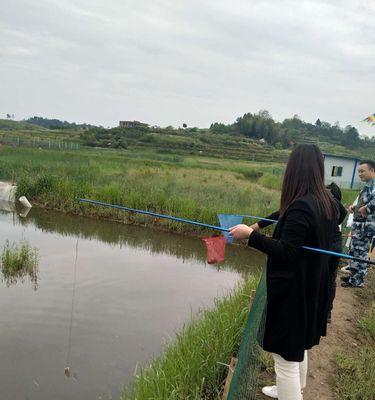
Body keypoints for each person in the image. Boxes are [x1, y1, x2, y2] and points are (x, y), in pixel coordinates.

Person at [229, 144, 338, 400]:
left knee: (285, 356)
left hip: (293, 291)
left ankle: (290, 392)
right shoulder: (326, 202)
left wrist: (251, 236)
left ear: (295, 170)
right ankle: (291, 390)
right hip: (312, 286)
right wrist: (260, 225)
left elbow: (288, 251)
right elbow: (288, 218)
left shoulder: (302, 206)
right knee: (298, 345)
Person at [341, 160, 375, 288]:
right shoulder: (368, 186)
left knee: (361, 253)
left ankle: (358, 280)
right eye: (358, 171)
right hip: (359, 226)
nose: (360, 174)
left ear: (372, 170)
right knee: (354, 251)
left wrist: (366, 209)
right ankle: (353, 277)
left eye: (362, 171)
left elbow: (371, 203)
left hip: (365, 227)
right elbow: (365, 202)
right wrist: (355, 207)